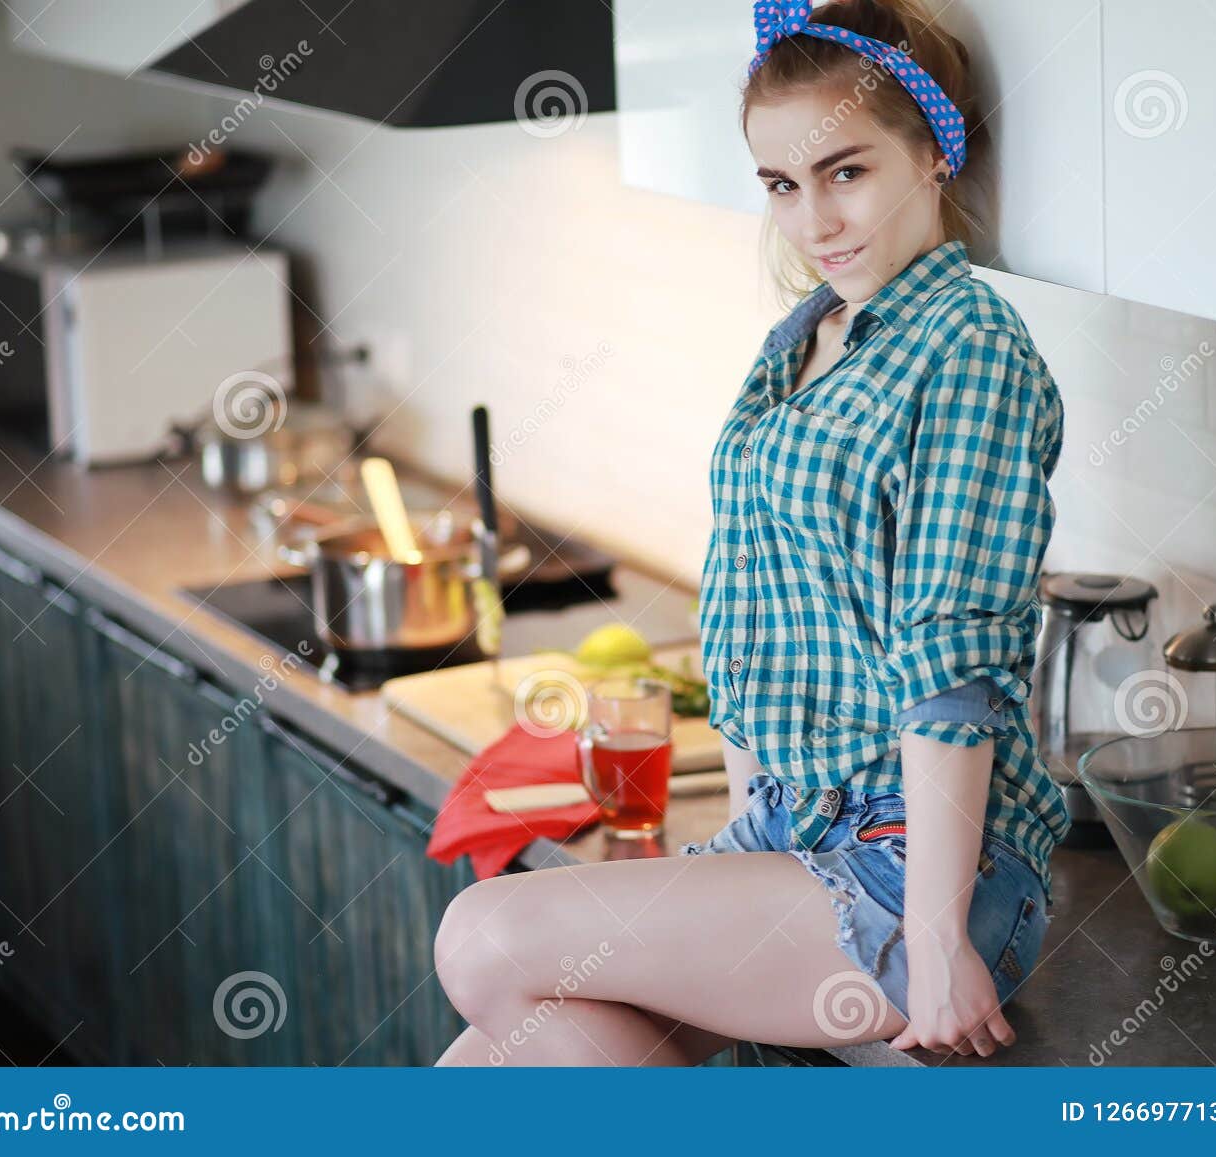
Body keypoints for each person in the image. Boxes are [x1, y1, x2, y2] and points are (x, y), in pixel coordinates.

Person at [433, 0, 1069, 1066]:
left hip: (913, 866)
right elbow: (745, 616)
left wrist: (935, 936)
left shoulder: (966, 350)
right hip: (794, 831)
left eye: (846, 171)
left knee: (484, 938)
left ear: (932, 152)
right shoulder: (807, 341)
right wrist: (731, 851)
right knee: (495, 1058)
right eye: (782, 183)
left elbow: (948, 666)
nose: (814, 219)